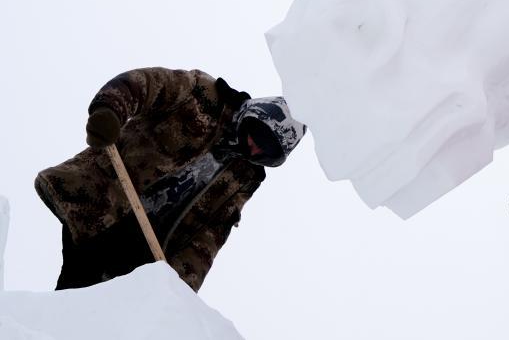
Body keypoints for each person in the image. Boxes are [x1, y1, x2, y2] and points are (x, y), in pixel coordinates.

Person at [35, 67, 306, 291]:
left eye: (267, 152)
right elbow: (147, 85)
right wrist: (110, 109)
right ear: (256, 116)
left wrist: (179, 293)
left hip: (143, 249)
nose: (256, 148)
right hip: (102, 201)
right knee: (76, 290)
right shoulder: (203, 94)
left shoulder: (245, 177)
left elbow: (208, 238)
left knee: (99, 318)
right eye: (259, 137)